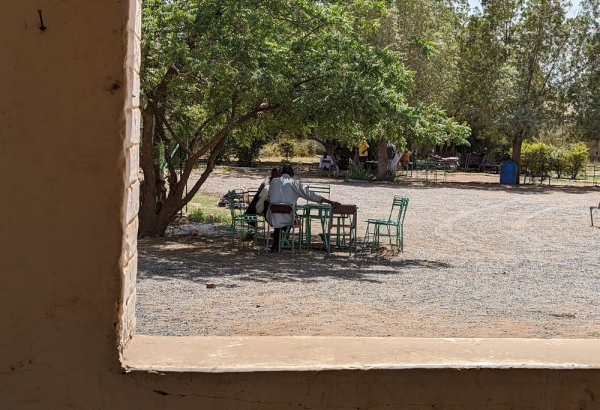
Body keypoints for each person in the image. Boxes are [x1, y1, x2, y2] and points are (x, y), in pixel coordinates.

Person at [267, 164, 341, 251]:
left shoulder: (273, 182)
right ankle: (282, 238)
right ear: (292, 174)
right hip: (289, 218)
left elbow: (269, 197)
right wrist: (330, 201)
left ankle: (276, 242)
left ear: (282, 173)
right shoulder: (294, 183)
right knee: (289, 214)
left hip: (273, 216)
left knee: (279, 214)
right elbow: (310, 195)